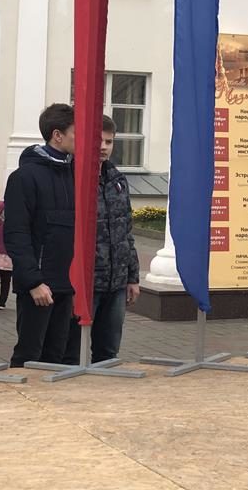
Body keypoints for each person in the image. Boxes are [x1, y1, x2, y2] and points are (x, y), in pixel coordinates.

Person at [62, 115, 141, 365]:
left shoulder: (117, 180)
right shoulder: (71, 177)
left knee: (108, 352)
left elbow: (126, 231)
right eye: (99, 141)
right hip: (84, 282)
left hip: (115, 283)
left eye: (109, 141)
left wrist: (132, 277)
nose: (104, 147)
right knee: (72, 351)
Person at [4, 103, 76, 368]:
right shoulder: (24, 177)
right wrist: (34, 282)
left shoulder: (75, 174)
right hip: (39, 287)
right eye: (77, 132)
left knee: (56, 358)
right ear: (57, 135)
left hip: (67, 285)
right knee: (29, 357)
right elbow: (16, 234)